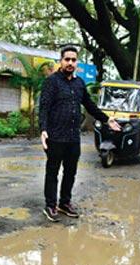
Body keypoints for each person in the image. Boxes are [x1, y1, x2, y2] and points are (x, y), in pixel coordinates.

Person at [38, 46, 119, 222]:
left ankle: (64, 203)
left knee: (70, 172)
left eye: (73, 60)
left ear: (77, 63)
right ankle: (50, 205)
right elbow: (44, 107)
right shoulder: (52, 82)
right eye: (67, 59)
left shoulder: (79, 83)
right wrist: (43, 130)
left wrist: (107, 119)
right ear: (61, 60)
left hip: (73, 138)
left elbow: (90, 105)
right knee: (52, 171)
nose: (70, 63)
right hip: (55, 136)